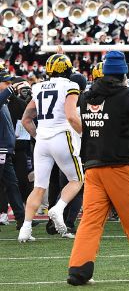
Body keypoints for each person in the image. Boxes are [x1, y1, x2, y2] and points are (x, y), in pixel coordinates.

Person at [67, 51, 129, 285]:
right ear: (123, 74)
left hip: (93, 166)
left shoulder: (88, 97)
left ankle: (79, 269)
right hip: (120, 166)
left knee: (90, 220)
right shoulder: (125, 96)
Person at [18, 54, 83, 242]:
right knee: (77, 179)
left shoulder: (37, 87)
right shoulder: (70, 85)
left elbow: (26, 119)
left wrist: (39, 136)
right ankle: (59, 208)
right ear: (68, 69)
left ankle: (25, 229)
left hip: (43, 140)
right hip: (62, 136)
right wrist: (83, 134)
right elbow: (71, 116)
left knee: (39, 187)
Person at [0, 75, 26, 231]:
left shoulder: (4, 100)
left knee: (12, 184)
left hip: (5, 148)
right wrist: (12, 88)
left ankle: (21, 218)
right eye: (5, 82)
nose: (8, 84)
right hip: (1, 148)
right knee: (10, 184)